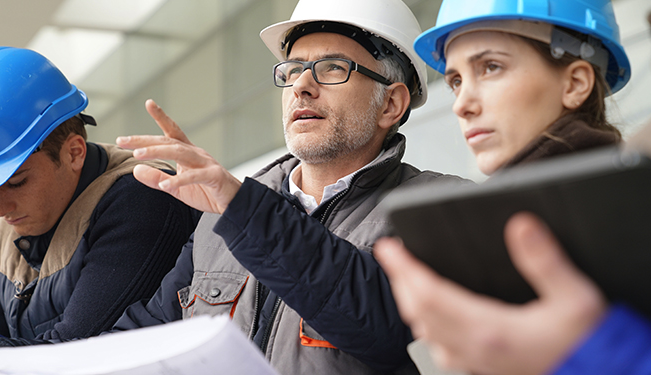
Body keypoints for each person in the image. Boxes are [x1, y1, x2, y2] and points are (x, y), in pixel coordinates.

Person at [106, 0, 465, 374]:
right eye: (293, 70)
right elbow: (148, 337)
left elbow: (380, 324)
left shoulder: (439, 209)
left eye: (332, 68)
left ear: (390, 104)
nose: (302, 86)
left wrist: (243, 209)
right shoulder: (219, 219)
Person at [374, 0, 651, 374]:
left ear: (575, 83)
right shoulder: (494, 221)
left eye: (491, 67)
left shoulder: (633, 206)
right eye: (456, 81)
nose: (461, 104)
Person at [0, 47, 200, 352]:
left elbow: (76, 350)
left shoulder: (142, 198)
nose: (0, 209)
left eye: (16, 182)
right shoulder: (9, 226)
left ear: (74, 152)